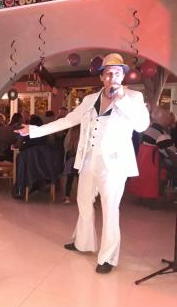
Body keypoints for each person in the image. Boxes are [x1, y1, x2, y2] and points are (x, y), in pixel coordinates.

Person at [16, 53, 150, 274]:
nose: (113, 76)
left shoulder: (133, 97)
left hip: (114, 163)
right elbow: (68, 120)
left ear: (123, 75)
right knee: (84, 202)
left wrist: (121, 100)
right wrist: (36, 130)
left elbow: (142, 125)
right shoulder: (90, 100)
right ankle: (84, 243)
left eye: (117, 72)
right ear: (102, 77)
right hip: (89, 158)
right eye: (108, 72)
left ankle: (107, 257)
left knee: (109, 209)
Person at [62, 125, 80, 205]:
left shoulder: (71, 130)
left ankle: (67, 197)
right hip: (79, 158)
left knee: (69, 179)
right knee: (80, 180)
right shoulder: (83, 130)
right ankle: (80, 197)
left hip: (70, 157)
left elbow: (65, 144)